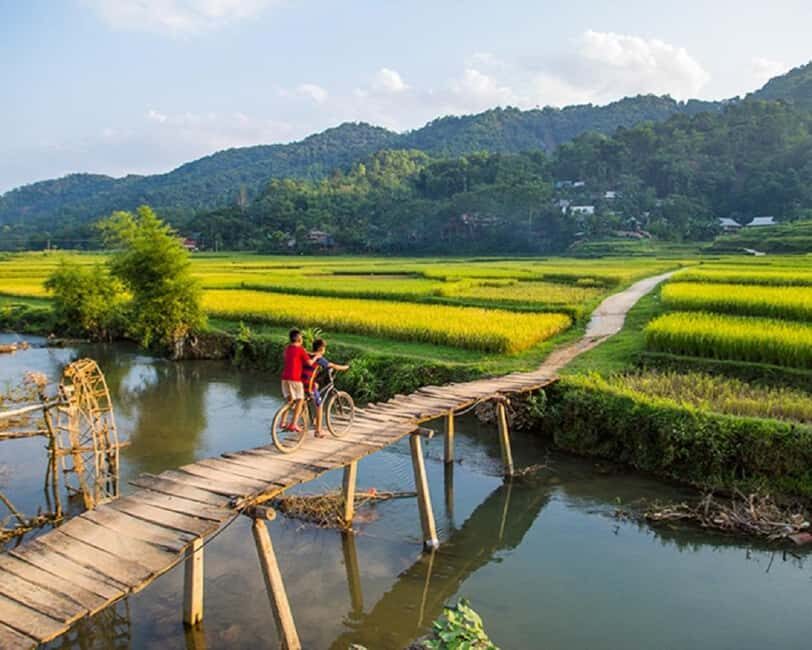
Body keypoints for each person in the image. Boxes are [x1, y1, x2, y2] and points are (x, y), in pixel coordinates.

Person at [302, 338, 349, 437]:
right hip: (308, 384)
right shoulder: (319, 358)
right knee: (320, 405)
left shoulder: (308, 354)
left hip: (300, 382)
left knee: (317, 386)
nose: (324, 350)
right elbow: (332, 365)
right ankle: (318, 431)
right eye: (324, 348)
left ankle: (312, 419)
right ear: (320, 348)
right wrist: (345, 367)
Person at [281, 329, 317, 433]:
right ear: (299, 338)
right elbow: (310, 363)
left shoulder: (287, 348)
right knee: (300, 400)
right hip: (295, 379)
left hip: (284, 378)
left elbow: (289, 356)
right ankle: (293, 424)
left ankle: (283, 422)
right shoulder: (300, 349)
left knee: (290, 401)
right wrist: (316, 357)